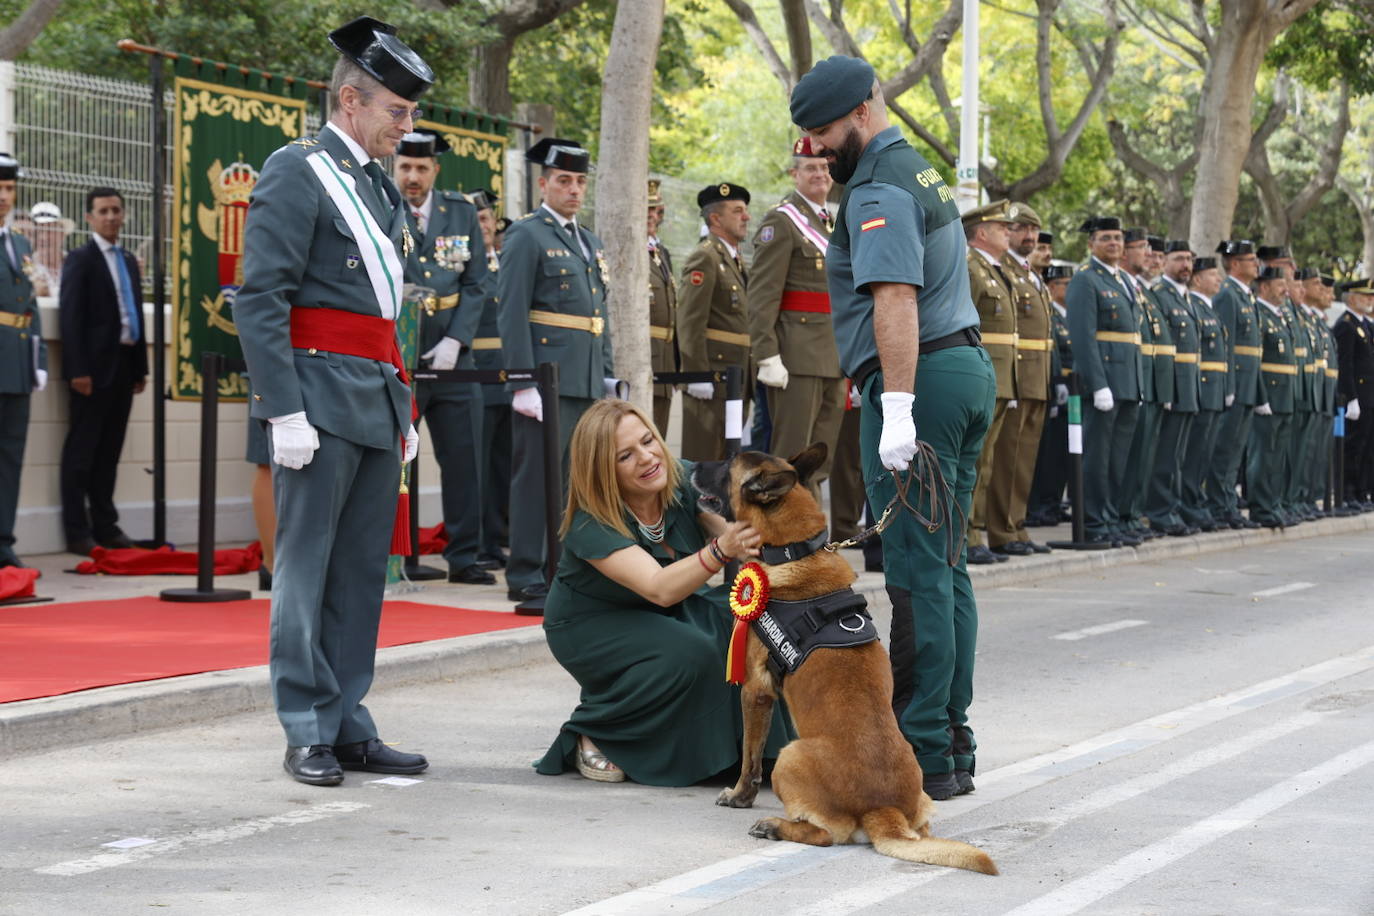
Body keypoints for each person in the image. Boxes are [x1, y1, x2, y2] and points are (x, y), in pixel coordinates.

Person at [234, 16, 432, 786]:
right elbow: (262, 299)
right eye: (397, 111)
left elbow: (387, 313)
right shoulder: (297, 170)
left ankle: (350, 720)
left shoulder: (376, 185)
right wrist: (281, 410)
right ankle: (307, 726)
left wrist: (402, 406)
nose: (406, 127)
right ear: (351, 100)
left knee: (358, 575)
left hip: (373, 399)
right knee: (306, 573)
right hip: (314, 400)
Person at [791, 55, 995, 800]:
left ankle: (923, 750)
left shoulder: (877, 187)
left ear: (863, 113)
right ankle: (954, 743)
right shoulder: (917, 170)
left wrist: (898, 408)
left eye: (823, 132)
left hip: (922, 381)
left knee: (914, 575)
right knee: (946, 568)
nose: (815, 149)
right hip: (960, 370)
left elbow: (895, 299)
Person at [534, 399, 792, 785]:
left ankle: (762, 753)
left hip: (663, 611)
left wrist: (750, 531)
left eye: (648, 440)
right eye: (626, 455)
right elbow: (658, 589)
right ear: (604, 470)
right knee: (692, 652)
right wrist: (723, 549)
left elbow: (730, 520)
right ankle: (594, 733)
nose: (646, 457)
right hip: (593, 625)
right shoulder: (589, 519)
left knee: (753, 622)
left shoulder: (679, 478)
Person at [498, 137, 614, 611]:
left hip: (584, 377)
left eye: (580, 181)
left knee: (577, 479)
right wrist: (522, 381)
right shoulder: (527, 234)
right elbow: (511, 310)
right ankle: (527, 572)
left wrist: (607, 375)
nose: (573, 189)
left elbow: (597, 315)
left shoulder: (589, 240)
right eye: (564, 180)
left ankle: (564, 567)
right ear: (543, 184)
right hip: (545, 379)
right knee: (536, 478)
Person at [395, 129, 492, 585]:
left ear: (435, 169)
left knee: (464, 457)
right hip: (400, 350)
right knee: (395, 459)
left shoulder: (461, 211)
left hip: (454, 354)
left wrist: (457, 341)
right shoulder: (380, 205)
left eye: (420, 168)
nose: (412, 177)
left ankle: (464, 556)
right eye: (405, 167)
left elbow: (476, 282)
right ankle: (396, 555)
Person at [746, 138, 843, 497]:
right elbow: (762, 294)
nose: (819, 174)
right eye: (810, 168)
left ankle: (810, 538)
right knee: (791, 460)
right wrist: (767, 354)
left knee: (820, 460)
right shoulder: (782, 220)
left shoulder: (831, 222)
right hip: (796, 358)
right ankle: (783, 546)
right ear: (794, 174)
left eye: (824, 167)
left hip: (833, 357)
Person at [58, 186, 147, 555]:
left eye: (116, 210)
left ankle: (106, 526)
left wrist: (140, 367)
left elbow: (135, 314)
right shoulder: (81, 259)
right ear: (89, 217)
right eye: (103, 211)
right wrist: (77, 369)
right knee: (82, 453)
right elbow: (71, 317)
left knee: (110, 452)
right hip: (91, 372)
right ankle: (77, 532)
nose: (111, 216)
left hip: (124, 369)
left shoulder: (127, 259)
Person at [1065, 216, 1141, 547]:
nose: (1114, 243)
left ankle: (1110, 518)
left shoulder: (1123, 279)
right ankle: (1094, 521)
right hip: (1106, 381)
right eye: (1106, 237)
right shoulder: (1086, 280)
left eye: (1118, 238)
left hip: (1127, 381)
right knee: (1097, 456)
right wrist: (1098, 384)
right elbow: (1083, 337)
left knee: (1117, 458)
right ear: (1091, 244)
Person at [993, 201, 1053, 555]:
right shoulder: (1005, 271)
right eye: (1021, 229)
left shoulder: (1030, 274)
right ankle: (1000, 530)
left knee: (1024, 459)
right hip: (1014, 375)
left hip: (1036, 378)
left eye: (1033, 230)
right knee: (1005, 459)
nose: (1029, 236)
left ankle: (1016, 525)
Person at [677, 183, 752, 461]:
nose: (746, 217)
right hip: (712, 378)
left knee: (726, 462)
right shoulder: (705, 256)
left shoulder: (735, 260)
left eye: (745, 211)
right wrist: (696, 374)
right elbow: (689, 321)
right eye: (738, 211)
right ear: (715, 219)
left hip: (736, 378)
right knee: (703, 461)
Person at [961, 200, 1016, 566]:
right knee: (974, 459)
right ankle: (966, 535)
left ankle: (977, 531)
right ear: (981, 232)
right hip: (981, 373)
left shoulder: (996, 269)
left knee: (988, 460)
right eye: (1001, 227)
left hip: (1002, 375)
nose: (1008, 233)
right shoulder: (971, 267)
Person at [0, 154, 47, 569]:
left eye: (9, 188)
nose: (3, 196)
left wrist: (40, 357)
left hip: (16, 364)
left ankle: (4, 542)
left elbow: (31, 304)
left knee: (11, 457)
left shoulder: (19, 243)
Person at [467, 188, 511, 569]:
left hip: (509, 377)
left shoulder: (504, 261)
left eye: (485, 219)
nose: (481, 226)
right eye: (474, 219)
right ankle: (479, 545)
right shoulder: (464, 265)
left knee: (503, 467)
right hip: (475, 375)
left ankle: (498, 540)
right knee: (477, 469)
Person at [1120, 227, 1172, 542]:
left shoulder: (1142, 290)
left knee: (1143, 456)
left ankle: (1131, 514)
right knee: (1126, 457)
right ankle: (1119, 515)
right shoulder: (1130, 287)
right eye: (1144, 250)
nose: (1150, 258)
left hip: (1148, 383)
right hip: (1129, 381)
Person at [1207, 239, 1262, 529]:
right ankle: (1219, 505)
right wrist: (1228, 385)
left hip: (1248, 383)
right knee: (1224, 449)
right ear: (1236, 264)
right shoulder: (1228, 295)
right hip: (1235, 381)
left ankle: (1227, 502)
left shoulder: (1246, 295)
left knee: (1235, 450)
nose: (1256, 264)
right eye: (1251, 259)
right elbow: (1225, 344)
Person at [1145, 241, 1200, 535]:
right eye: (1179, 259)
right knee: (1164, 455)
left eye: (1189, 259)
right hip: (1172, 385)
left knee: (1177, 455)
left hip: (1189, 385)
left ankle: (1172, 508)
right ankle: (1159, 511)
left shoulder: (1186, 297)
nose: (1186, 265)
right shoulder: (1159, 295)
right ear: (1164, 261)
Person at [1180, 256, 1229, 531]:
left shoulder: (1208, 309)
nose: (1218, 279)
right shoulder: (1194, 307)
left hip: (1214, 389)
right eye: (1213, 275)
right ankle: (1189, 504)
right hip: (1201, 386)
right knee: (1193, 452)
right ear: (1197, 279)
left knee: (1204, 453)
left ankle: (1196, 502)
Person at [1247, 267, 1296, 527]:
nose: (1285, 289)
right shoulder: (1259, 314)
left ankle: (1273, 504)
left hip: (1285, 395)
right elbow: (1255, 360)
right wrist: (1260, 396)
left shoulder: (1279, 316)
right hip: (1269, 393)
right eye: (1280, 284)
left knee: (1277, 456)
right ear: (1264, 287)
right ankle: (1260, 507)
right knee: (1262, 454)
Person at [1026, 264, 1074, 527]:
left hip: (1071, 388)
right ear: (1052, 287)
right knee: (1047, 454)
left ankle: (1053, 502)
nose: (1069, 289)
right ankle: (1040, 505)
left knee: (1063, 454)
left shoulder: (1070, 315)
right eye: (1065, 284)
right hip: (1050, 384)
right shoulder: (1051, 313)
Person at [647, 179, 678, 436]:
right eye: (645, 209)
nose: (651, 216)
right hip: (644, 357)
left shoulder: (661, 253)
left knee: (660, 436)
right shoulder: (626, 248)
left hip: (665, 360)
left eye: (655, 210)